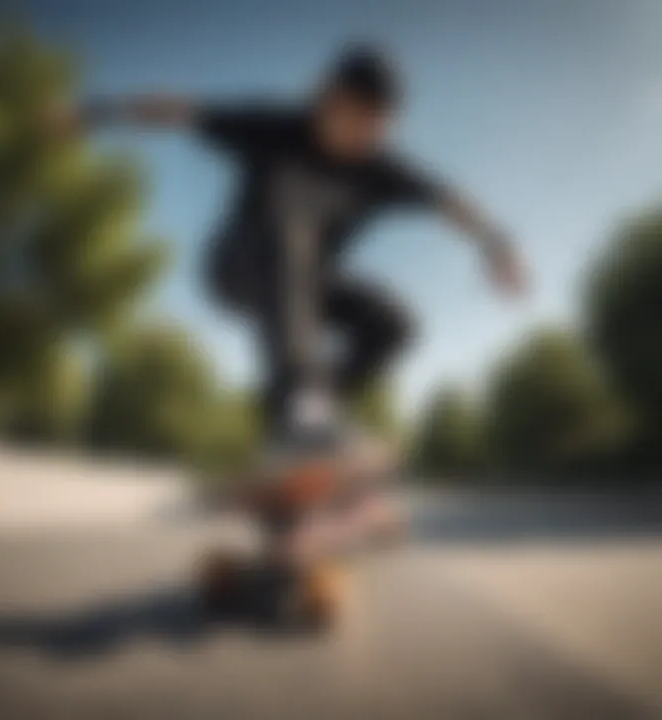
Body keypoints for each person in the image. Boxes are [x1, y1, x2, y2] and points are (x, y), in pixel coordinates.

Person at [48, 44, 527, 471]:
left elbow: (449, 201)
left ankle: (308, 412)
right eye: (358, 115)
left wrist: (497, 245)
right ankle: (300, 418)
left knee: (393, 323)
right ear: (326, 96)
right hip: (237, 267)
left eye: (379, 123)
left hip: (304, 287)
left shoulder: (381, 169)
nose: (366, 133)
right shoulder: (273, 129)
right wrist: (93, 113)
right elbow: (178, 111)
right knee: (291, 234)